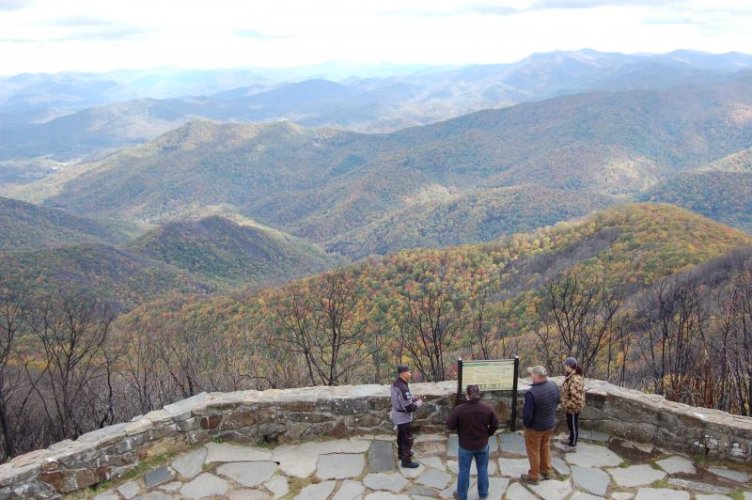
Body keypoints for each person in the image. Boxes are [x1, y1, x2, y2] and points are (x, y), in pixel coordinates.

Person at [446, 384, 499, 500]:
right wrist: (487, 434)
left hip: (465, 445)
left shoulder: (459, 409)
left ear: (467, 395)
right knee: (482, 468)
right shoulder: (487, 408)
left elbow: (450, 425)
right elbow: (495, 424)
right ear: (478, 394)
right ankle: (483, 492)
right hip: (482, 444)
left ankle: (462, 495)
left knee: (464, 470)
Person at [521, 365, 560, 485]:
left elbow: (527, 415)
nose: (530, 375)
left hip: (535, 428)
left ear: (537, 376)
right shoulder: (553, 385)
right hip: (549, 425)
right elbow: (557, 401)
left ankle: (533, 476)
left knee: (533, 451)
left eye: (532, 374)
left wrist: (527, 426)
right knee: (545, 447)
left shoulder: (531, 393)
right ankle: (546, 471)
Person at [391, 364, 423, 468]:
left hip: (397, 415)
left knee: (401, 437)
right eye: (408, 372)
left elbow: (400, 400)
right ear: (403, 373)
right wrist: (418, 403)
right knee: (407, 439)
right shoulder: (403, 387)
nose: (410, 374)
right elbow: (409, 408)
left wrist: (412, 399)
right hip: (403, 418)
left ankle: (401, 454)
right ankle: (406, 461)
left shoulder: (396, 384)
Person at [561, 356, 585, 452]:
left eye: (566, 365)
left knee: (573, 425)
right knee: (570, 424)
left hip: (573, 407)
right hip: (569, 406)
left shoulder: (575, 379)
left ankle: (572, 445)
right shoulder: (570, 375)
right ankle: (570, 438)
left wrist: (570, 406)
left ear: (570, 366)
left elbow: (576, 397)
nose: (565, 367)